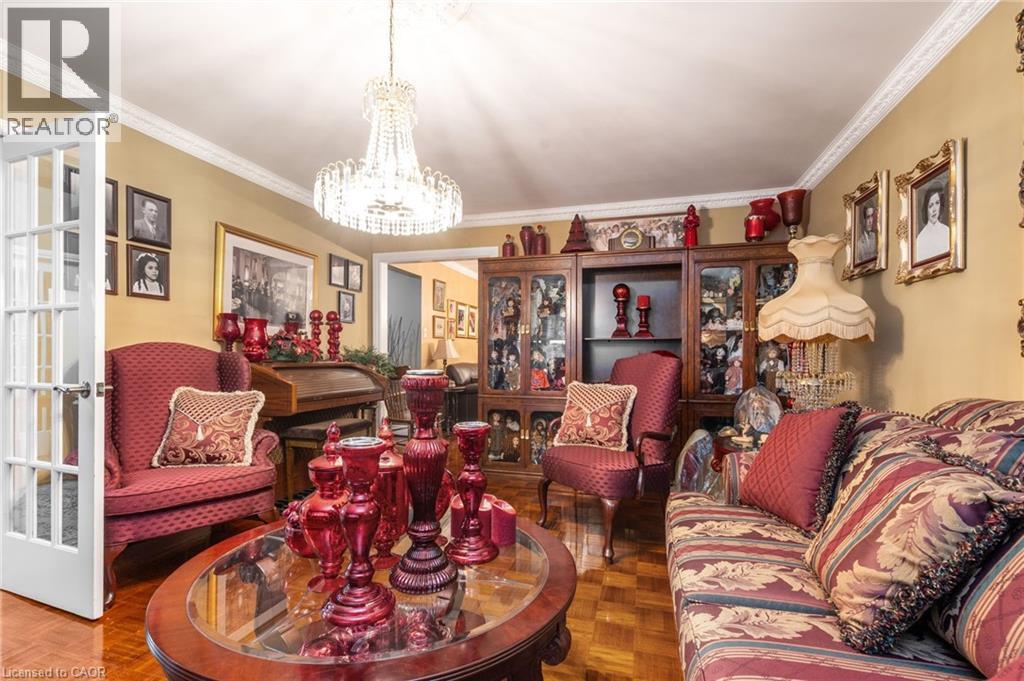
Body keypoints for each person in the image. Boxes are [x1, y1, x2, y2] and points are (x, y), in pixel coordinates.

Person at [915, 185, 950, 262]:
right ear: (926, 209)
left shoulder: (947, 231)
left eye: (937, 203)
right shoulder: (921, 239)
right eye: (930, 206)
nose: (934, 209)